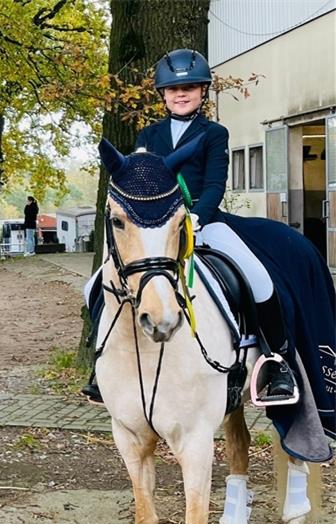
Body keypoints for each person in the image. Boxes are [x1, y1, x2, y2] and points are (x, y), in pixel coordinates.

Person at [83, 48, 303, 406]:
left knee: (257, 277)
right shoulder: (149, 136)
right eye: (172, 90)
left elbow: (216, 183)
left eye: (189, 89)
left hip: (205, 221)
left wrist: (196, 215)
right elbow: (141, 185)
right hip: (156, 227)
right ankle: (99, 365)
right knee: (95, 285)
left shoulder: (214, 133)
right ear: (163, 96)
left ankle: (276, 363)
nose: (180, 95)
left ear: (202, 92)